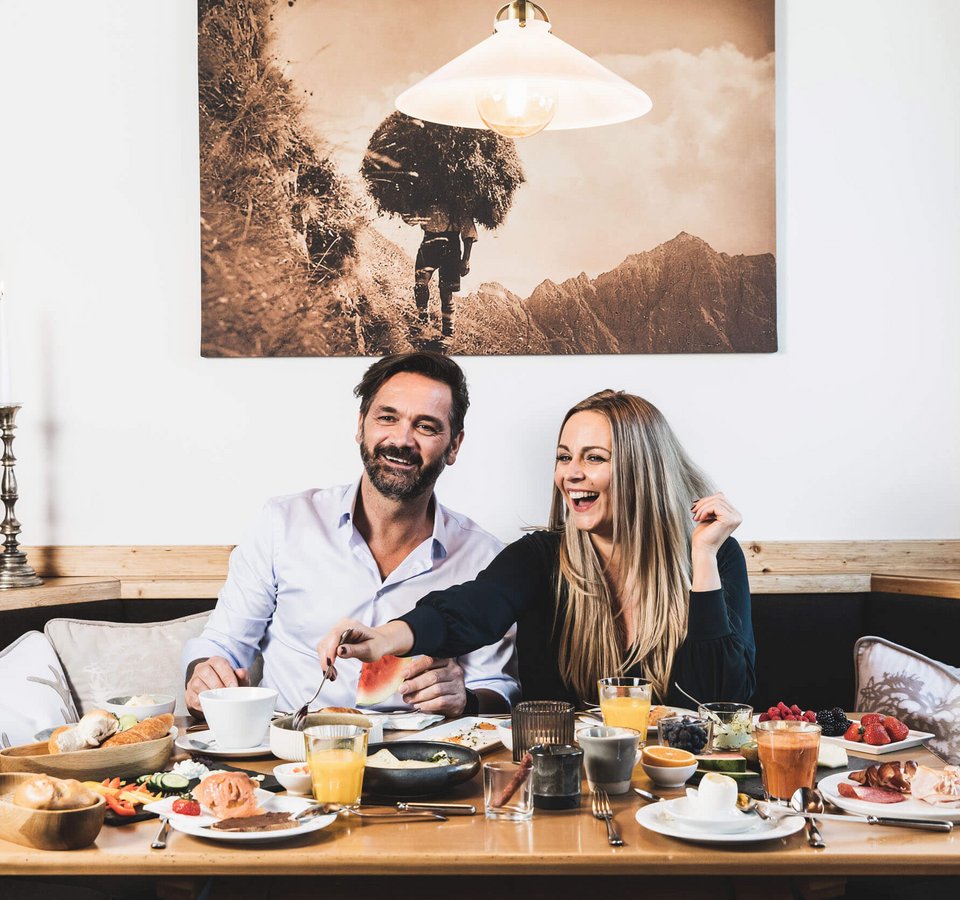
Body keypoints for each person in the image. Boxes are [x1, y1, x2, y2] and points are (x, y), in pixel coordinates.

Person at [319, 390, 755, 710]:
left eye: (595, 458)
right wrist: (382, 639)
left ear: (643, 470)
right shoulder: (541, 557)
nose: (572, 474)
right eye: (564, 457)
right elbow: (468, 611)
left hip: (680, 787)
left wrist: (703, 560)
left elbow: (720, 702)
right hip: (568, 786)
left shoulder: (715, 558)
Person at [182, 351, 518, 719]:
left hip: (421, 760)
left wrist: (466, 698)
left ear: (454, 445)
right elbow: (223, 645)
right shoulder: (283, 523)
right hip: (289, 750)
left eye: (426, 426)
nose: (402, 439)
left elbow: (498, 687)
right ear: (361, 425)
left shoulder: (485, 556)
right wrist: (203, 676)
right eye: (387, 418)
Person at [412, 207, 477, 338]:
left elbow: (468, 234)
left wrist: (466, 260)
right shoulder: (425, 200)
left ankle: (448, 333)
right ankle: (423, 323)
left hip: (450, 247)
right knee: (420, 285)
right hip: (428, 244)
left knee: (446, 292)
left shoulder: (457, 203)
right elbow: (411, 218)